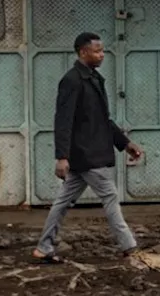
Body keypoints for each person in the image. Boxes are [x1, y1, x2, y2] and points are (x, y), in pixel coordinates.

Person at [34, 32, 143, 263]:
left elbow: (103, 119)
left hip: (88, 154)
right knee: (110, 196)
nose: (102, 55)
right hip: (87, 154)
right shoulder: (72, 80)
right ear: (83, 52)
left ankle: (44, 247)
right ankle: (129, 246)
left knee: (62, 202)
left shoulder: (93, 78)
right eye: (97, 51)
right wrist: (61, 156)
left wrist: (125, 144)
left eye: (102, 50)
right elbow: (63, 120)